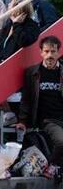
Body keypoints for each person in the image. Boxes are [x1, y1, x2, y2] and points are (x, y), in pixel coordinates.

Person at [18, 35, 63, 168]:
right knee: (61, 141)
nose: (50, 55)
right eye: (47, 51)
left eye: (53, 51)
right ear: (41, 52)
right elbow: (26, 99)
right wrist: (22, 120)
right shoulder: (32, 73)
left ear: (58, 52)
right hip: (47, 120)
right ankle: (49, 167)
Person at [0, 0, 40, 66]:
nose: (9, 10)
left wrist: (16, 24)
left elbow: (23, 41)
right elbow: (1, 44)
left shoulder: (31, 26)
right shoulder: (9, 24)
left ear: (22, 13)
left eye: (12, 8)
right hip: (2, 61)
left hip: (16, 64)